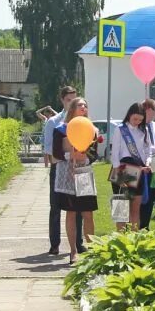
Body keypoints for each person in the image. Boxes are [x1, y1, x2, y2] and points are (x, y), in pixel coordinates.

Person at [55, 97, 98, 262]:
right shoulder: (60, 129)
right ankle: (73, 251)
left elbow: (94, 154)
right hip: (67, 173)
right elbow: (56, 152)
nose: (83, 108)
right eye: (80, 105)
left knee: (88, 213)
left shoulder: (91, 129)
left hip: (84, 173)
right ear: (72, 108)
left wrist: (85, 158)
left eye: (85, 105)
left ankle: (93, 250)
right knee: (71, 212)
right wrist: (70, 155)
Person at [42, 85, 77, 256]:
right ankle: (54, 243)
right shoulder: (53, 122)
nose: (71, 104)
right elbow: (49, 148)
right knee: (55, 206)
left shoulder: (81, 120)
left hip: (77, 168)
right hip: (58, 166)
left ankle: (78, 243)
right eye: (68, 100)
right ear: (62, 100)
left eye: (74, 100)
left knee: (76, 206)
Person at [110, 103, 153, 230]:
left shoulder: (143, 131)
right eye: (135, 119)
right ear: (129, 115)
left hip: (138, 170)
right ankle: (121, 240)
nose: (137, 122)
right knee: (121, 210)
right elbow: (115, 152)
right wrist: (118, 173)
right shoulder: (120, 129)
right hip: (122, 170)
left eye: (140, 120)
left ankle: (134, 240)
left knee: (135, 209)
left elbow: (148, 151)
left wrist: (148, 162)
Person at [137, 98, 155, 232]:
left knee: (151, 198)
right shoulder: (137, 126)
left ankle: (145, 227)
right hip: (141, 167)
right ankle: (137, 228)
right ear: (147, 110)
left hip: (154, 166)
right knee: (139, 199)